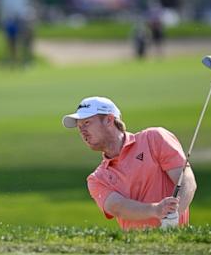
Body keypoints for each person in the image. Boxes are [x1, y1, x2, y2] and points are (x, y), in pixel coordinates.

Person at [62, 96, 197, 230]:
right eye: (79, 126)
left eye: (86, 123)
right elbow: (118, 207)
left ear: (109, 120)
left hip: (176, 242)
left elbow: (187, 180)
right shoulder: (97, 179)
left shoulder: (154, 139)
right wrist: (156, 210)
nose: (82, 130)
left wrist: (174, 214)